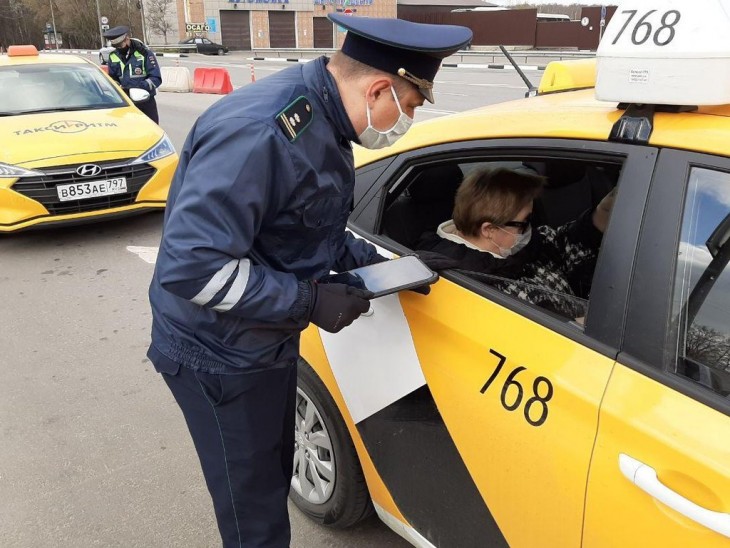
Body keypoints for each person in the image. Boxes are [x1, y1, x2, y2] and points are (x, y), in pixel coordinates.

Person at [147, 13, 472, 548]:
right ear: (379, 88)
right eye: (409, 107)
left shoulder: (323, 117)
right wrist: (308, 300)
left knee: (273, 473)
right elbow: (192, 269)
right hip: (217, 355)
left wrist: (389, 267)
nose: (405, 120)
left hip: (262, 342)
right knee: (253, 513)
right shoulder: (260, 133)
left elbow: (311, 224)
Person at [416, 167, 617, 319]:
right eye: (524, 222)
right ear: (489, 230)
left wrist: (600, 215)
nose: (529, 229)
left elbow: (558, 243)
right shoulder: (468, 286)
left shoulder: (511, 246)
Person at [102, 26, 161, 123]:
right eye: (116, 46)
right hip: (125, 102)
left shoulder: (144, 53)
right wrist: (117, 86)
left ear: (127, 39)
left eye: (120, 45)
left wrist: (138, 87)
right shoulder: (113, 56)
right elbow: (113, 78)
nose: (119, 48)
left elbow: (156, 78)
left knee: (151, 132)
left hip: (145, 101)